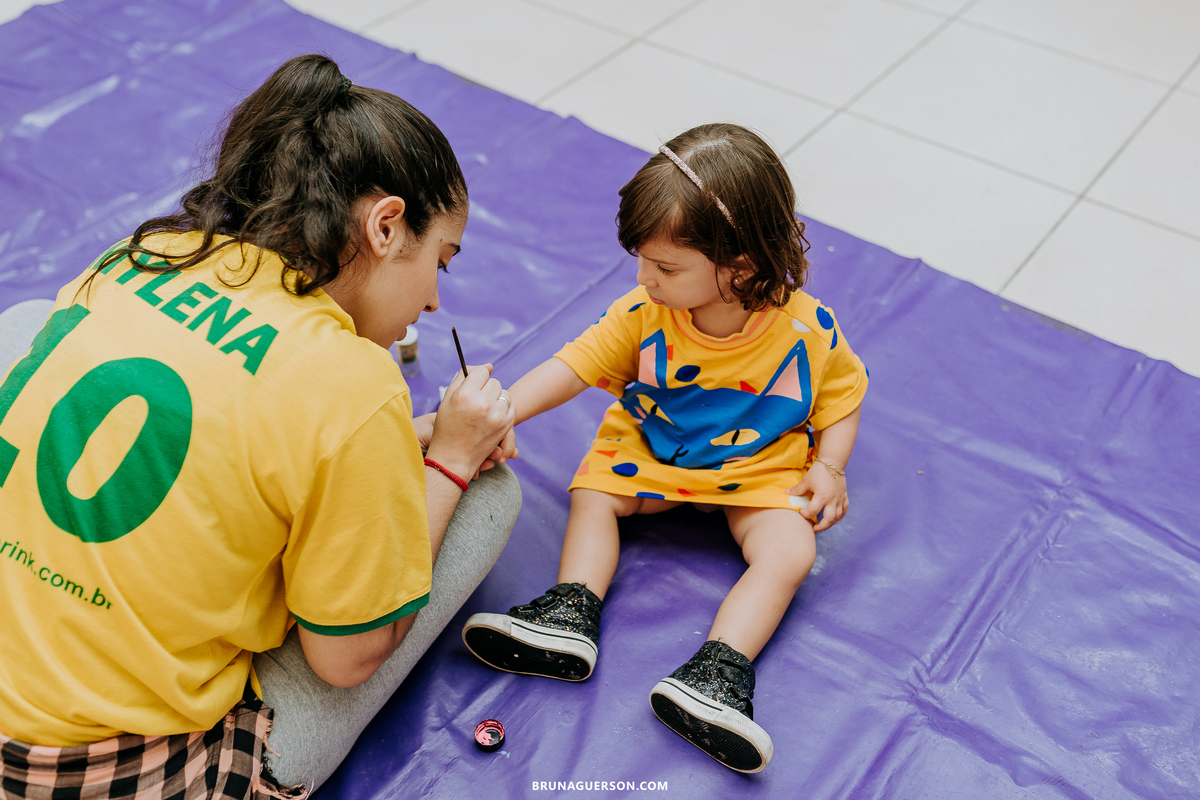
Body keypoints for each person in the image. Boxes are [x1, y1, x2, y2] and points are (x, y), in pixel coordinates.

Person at [0, 54, 520, 797]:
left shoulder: (141, 256)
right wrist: (452, 464)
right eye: (442, 259)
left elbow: (227, 411)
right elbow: (346, 659)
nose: (435, 299)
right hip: (78, 773)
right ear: (385, 225)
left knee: (27, 321)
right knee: (493, 499)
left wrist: (398, 439)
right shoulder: (354, 383)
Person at [461, 123, 868, 773]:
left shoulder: (806, 330)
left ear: (741, 265)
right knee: (595, 492)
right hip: (654, 450)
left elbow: (842, 398)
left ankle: (717, 673)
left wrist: (830, 466)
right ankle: (570, 611)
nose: (644, 277)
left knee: (791, 550)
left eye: (666, 267)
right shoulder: (643, 312)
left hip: (755, 466)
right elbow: (572, 366)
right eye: (643, 260)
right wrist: (495, 414)